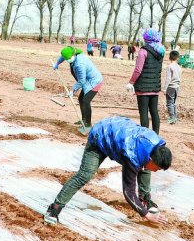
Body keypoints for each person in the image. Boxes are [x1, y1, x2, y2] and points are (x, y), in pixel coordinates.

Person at [44, 116, 172, 225]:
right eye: (157, 168)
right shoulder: (132, 154)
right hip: (100, 136)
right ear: (151, 158)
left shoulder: (156, 146)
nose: (156, 171)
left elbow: (146, 164)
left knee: (144, 167)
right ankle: (54, 208)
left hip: (119, 132)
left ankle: (145, 199)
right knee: (85, 175)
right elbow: (128, 191)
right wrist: (146, 215)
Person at [126, 28, 165, 134]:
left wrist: (131, 82)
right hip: (155, 86)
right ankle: (155, 135)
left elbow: (138, 70)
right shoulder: (161, 51)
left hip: (143, 88)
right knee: (154, 112)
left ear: (146, 38)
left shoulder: (143, 51)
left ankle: (145, 135)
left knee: (143, 113)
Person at [54, 46, 103, 130]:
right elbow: (63, 57)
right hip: (87, 81)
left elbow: (81, 80)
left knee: (85, 101)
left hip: (95, 82)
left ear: (73, 55)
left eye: (68, 58)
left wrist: (73, 90)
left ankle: (88, 124)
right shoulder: (72, 54)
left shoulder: (79, 64)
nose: (67, 60)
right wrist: (57, 63)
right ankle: (84, 120)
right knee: (81, 99)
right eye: (67, 59)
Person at [163, 50, 182, 124]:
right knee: (174, 103)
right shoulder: (179, 67)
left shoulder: (169, 67)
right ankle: (175, 117)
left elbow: (168, 79)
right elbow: (180, 78)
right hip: (177, 87)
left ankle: (172, 118)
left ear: (169, 57)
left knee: (169, 103)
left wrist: (164, 89)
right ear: (178, 58)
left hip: (170, 87)